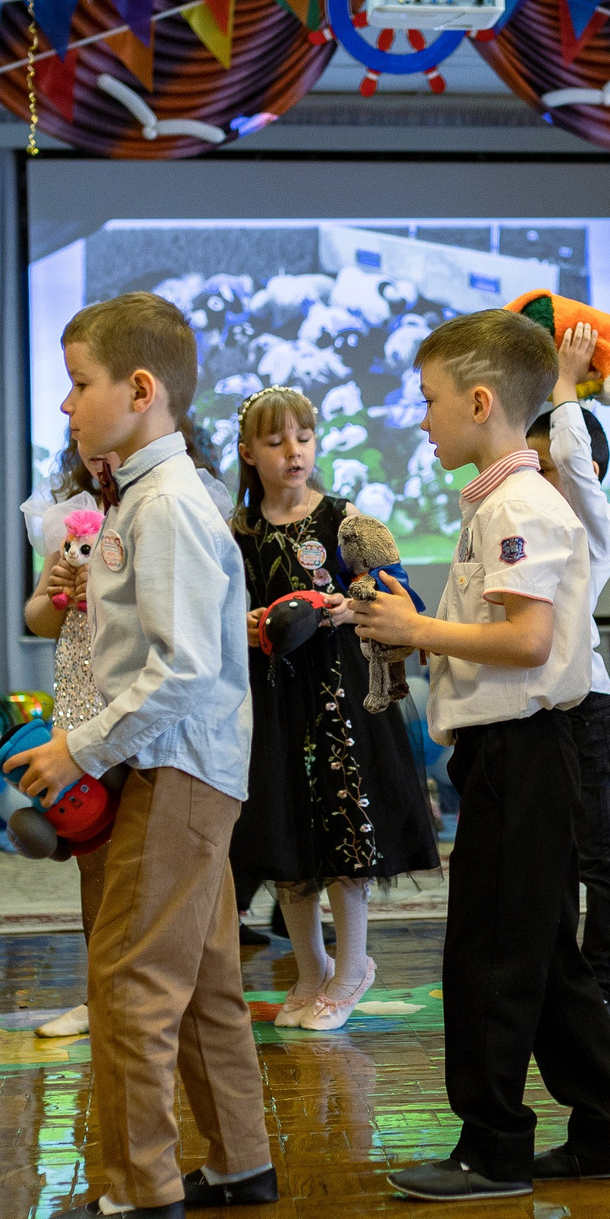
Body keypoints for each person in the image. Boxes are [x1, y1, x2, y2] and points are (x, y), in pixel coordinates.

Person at [347, 307, 610, 1200]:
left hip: (525, 749)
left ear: (481, 402)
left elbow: (524, 639)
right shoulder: (499, 500)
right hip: (509, 749)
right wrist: (422, 638)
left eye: (431, 400)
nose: (423, 418)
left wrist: (418, 626)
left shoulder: (519, 503)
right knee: (545, 954)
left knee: (492, 955)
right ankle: (606, 1129)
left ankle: (493, 1145)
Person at [4, 293, 270, 1219]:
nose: (68, 406)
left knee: (128, 977)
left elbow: (187, 670)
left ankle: (138, 1189)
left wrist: (79, 744)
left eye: (80, 384)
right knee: (198, 978)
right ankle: (239, 1159)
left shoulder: (165, 504)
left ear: (141, 389)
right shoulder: (144, 496)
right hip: (180, 766)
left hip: (175, 768)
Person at [229, 385, 438, 1031]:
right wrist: (246, 623)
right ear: (248, 452)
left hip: (340, 696)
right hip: (275, 698)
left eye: (303, 437)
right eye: (274, 441)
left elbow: (404, 597)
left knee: (347, 826)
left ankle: (353, 966)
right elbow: (217, 611)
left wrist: (353, 607)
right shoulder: (238, 530)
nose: (293, 452)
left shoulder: (346, 520)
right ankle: (311, 966)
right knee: (287, 829)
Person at [527, 322, 610, 1012]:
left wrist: (565, 385)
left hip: (588, 712)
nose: (539, 478)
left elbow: (570, 458)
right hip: (537, 712)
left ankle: (607, 980)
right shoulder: (522, 527)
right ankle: (560, 976)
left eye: (546, 469)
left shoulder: (597, 532)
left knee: (600, 853)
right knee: (550, 858)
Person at [21, 450, 111, 1039]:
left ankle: (155, 997)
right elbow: (38, 617)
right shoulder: (70, 518)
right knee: (92, 853)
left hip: (143, 706)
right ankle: (99, 996)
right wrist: (54, 593)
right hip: (79, 704)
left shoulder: (167, 506)